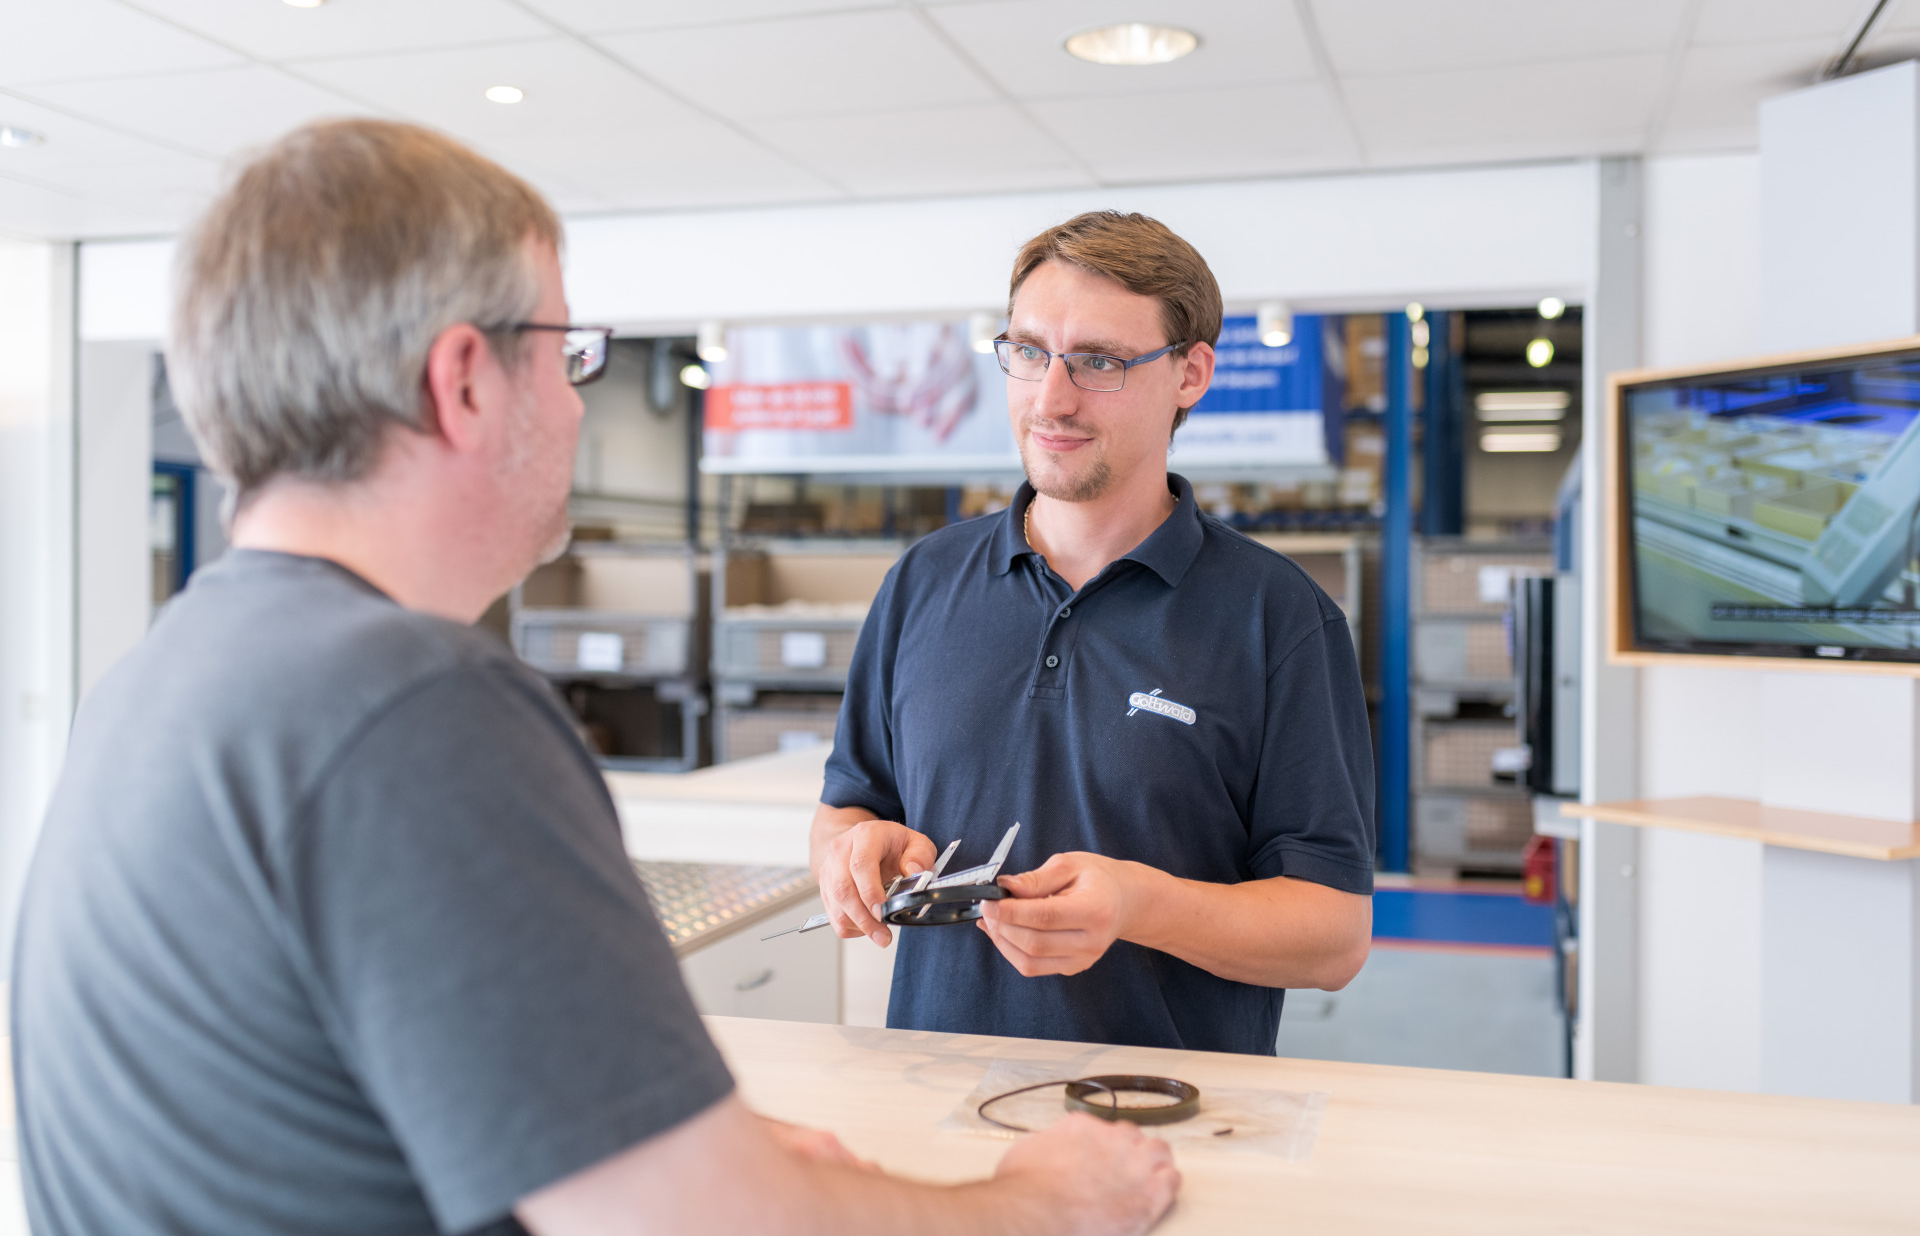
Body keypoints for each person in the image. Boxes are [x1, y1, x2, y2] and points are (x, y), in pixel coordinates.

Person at [9, 121, 1178, 1236]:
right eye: (566, 354)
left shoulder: (160, 680)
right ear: (465, 379)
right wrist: (1043, 1199)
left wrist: (703, 1146)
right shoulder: (419, 708)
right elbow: (699, 1221)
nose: (576, 401)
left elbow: (342, 1112)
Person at [812, 211, 1376, 1057]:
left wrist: (1139, 906)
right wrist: (852, 854)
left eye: (1100, 362)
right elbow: (848, 806)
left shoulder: (1279, 619)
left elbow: (1333, 936)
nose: (1052, 398)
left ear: (1191, 375)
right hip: (936, 1115)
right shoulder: (921, 585)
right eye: (1030, 352)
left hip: (1172, 1125)